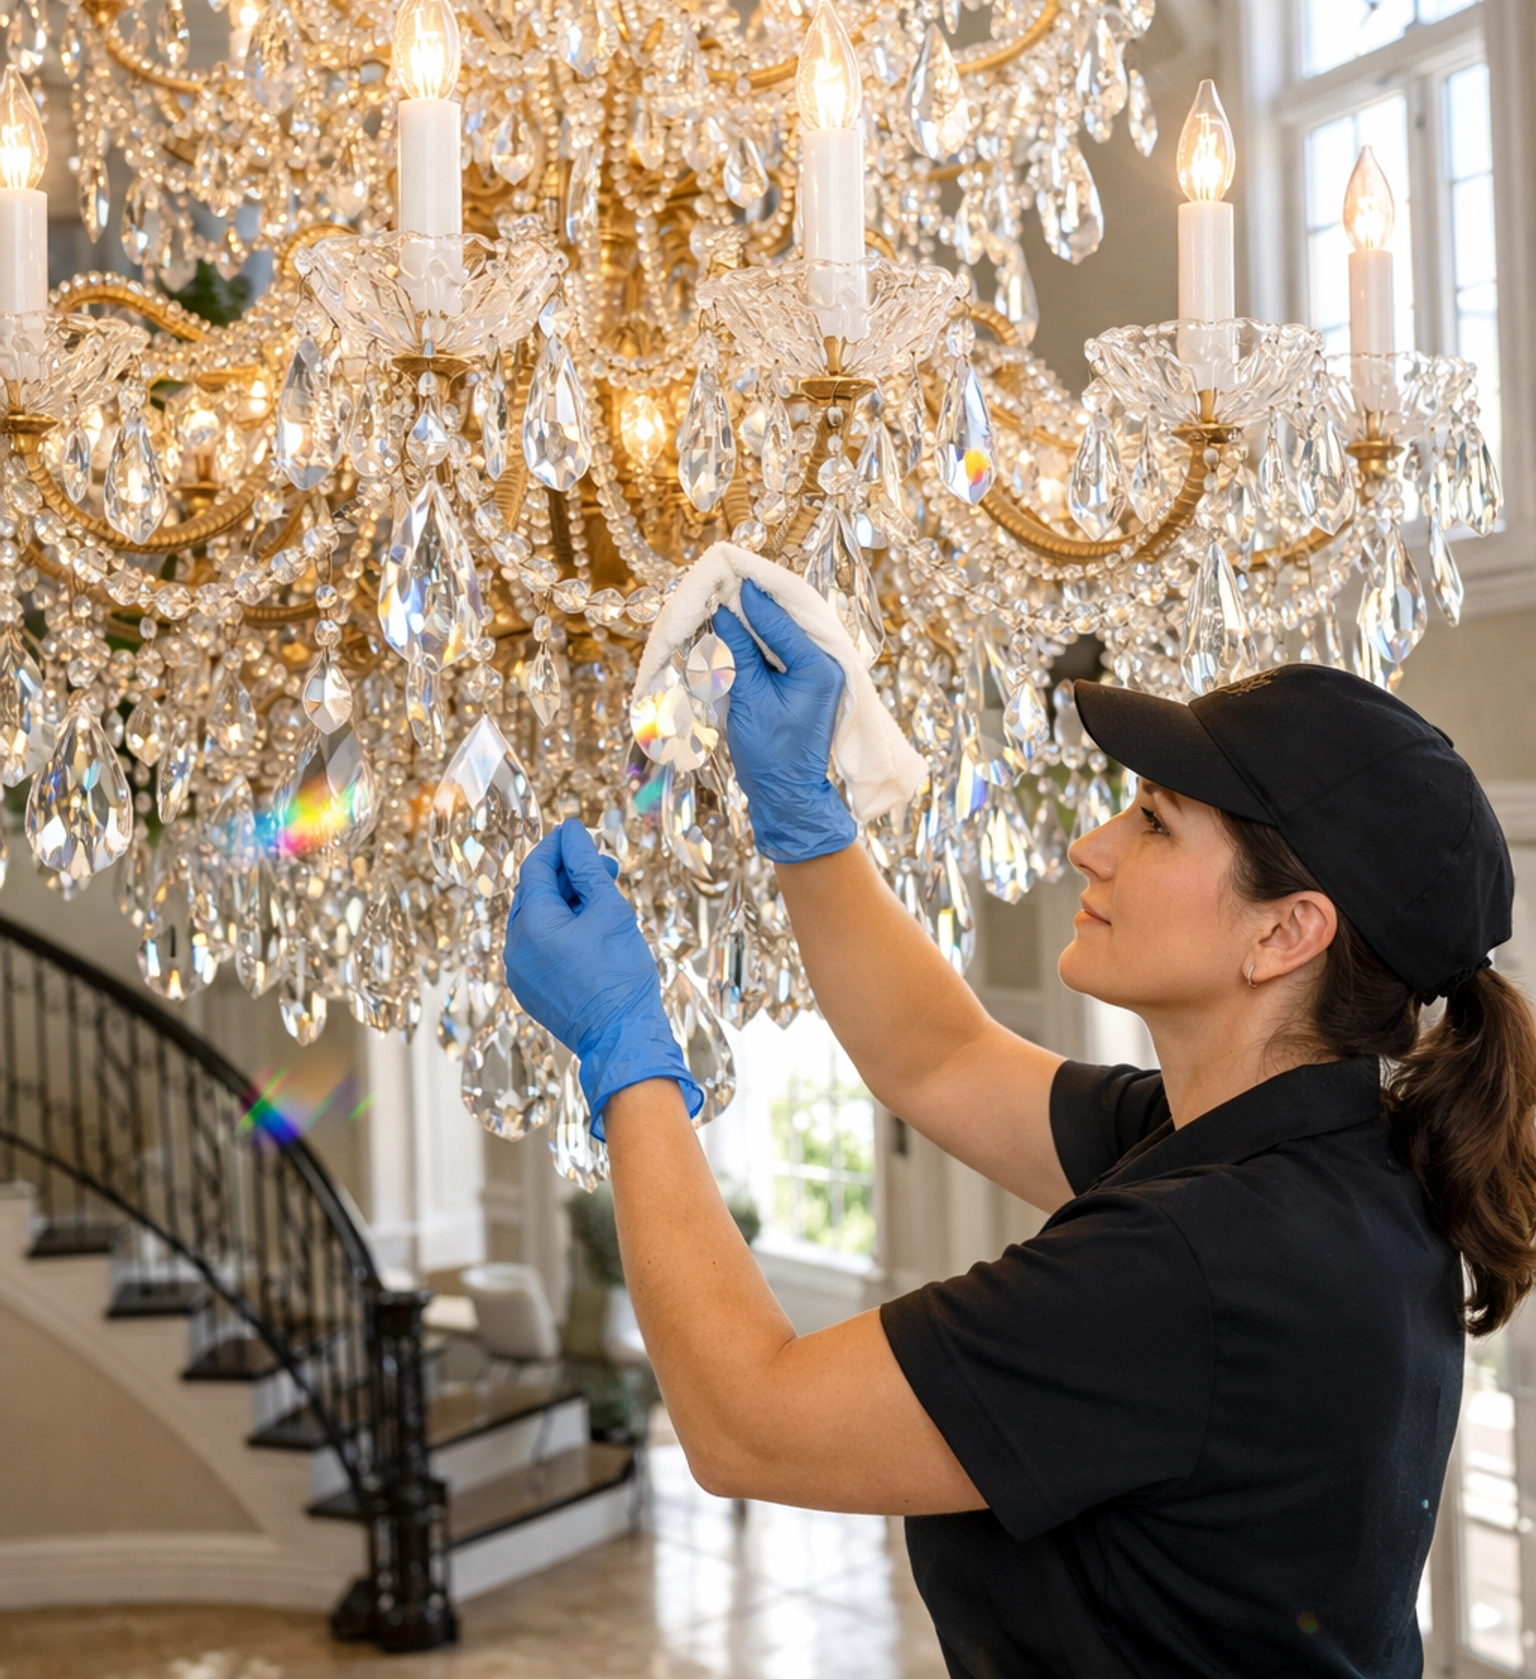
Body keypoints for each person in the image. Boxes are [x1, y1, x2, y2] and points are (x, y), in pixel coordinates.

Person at [504, 580, 1536, 1678]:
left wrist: (625, 1058)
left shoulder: (1198, 1265)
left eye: (1153, 823)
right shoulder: (1317, 1152)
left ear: (1286, 932)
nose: (1094, 846)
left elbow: (745, 1419)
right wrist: (803, 815)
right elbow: (944, 1058)